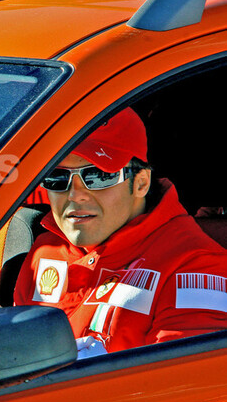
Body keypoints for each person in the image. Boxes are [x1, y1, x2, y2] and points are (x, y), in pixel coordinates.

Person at [13, 107, 227, 356]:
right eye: (57, 178)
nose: (74, 195)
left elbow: (186, 377)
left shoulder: (196, 265)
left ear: (141, 183)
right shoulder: (44, 250)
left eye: (98, 176)